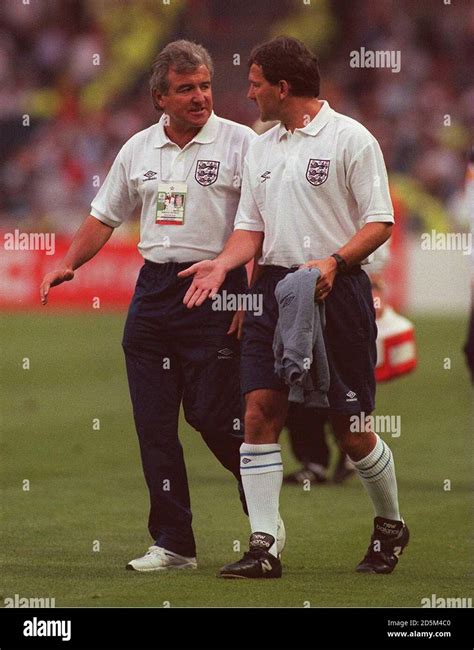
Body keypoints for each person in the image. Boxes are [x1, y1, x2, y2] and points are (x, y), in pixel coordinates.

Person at [40, 40, 288, 572]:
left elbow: (265, 224)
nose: (199, 97)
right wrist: (70, 262)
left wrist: (247, 289)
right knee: (154, 426)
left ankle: (264, 520)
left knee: (214, 416)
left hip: (217, 288)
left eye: (204, 86)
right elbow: (104, 215)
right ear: (160, 98)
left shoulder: (244, 144)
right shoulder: (137, 150)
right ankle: (174, 544)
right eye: (186, 89)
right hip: (154, 292)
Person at [180, 36, 409, 579]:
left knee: (350, 428)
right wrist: (222, 265)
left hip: (338, 286)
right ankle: (264, 545)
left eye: (255, 82)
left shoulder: (351, 139)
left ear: (282, 88)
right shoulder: (262, 145)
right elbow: (250, 229)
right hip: (272, 290)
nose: (248, 91)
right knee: (259, 410)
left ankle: (390, 524)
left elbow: (380, 221)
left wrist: (332, 263)